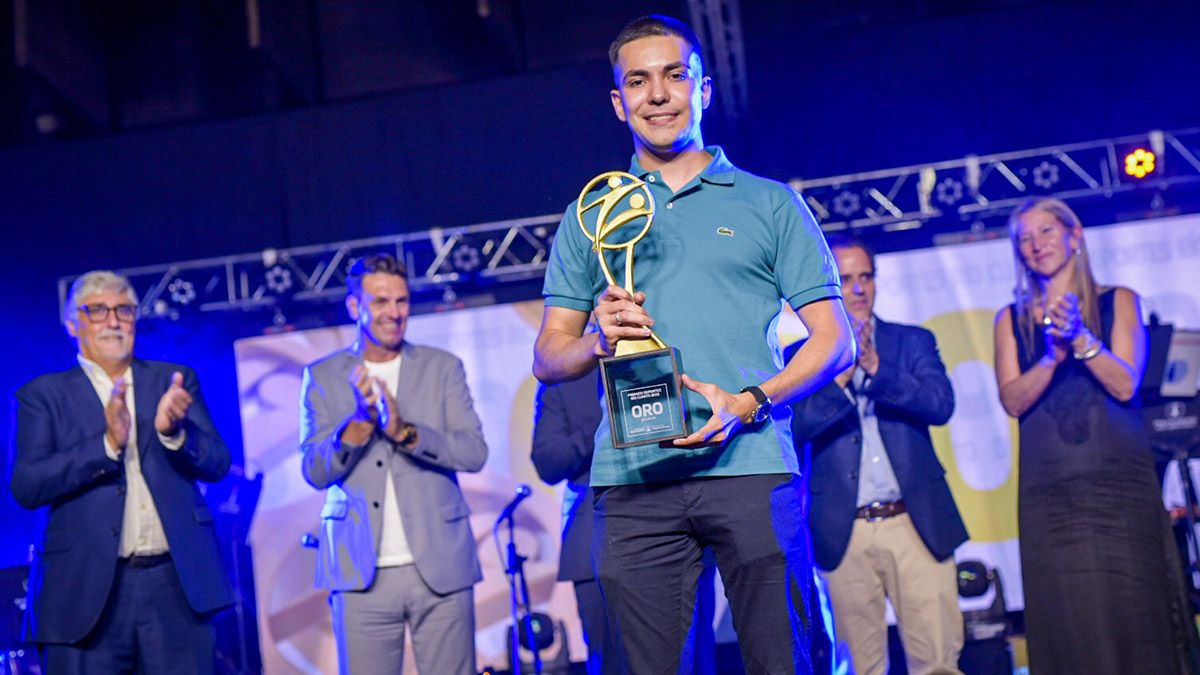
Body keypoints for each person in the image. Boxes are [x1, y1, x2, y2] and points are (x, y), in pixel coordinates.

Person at [532, 15, 854, 673]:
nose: (657, 94)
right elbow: (547, 355)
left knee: (784, 662)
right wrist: (597, 338)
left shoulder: (769, 204)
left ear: (703, 89)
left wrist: (752, 400)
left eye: (674, 76)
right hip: (635, 478)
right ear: (619, 102)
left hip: (750, 461)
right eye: (638, 82)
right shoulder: (593, 214)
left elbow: (834, 340)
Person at [993, 197, 1200, 674]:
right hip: (1051, 492)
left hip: (1117, 485)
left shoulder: (1119, 300)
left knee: (1136, 610)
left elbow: (1125, 382)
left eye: (1045, 232)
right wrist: (1050, 356)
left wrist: (1084, 341)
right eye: (1024, 238)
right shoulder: (1012, 318)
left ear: (1074, 234)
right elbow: (1012, 399)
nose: (1035, 245)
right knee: (1068, 616)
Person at [11, 270, 233, 674]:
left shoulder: (173, 380)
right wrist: (107, 446)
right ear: (72, 324)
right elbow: (27, 485)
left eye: (124, 310)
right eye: (97, 310)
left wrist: (175, 434)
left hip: (174, 587)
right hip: (83, 594)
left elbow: (218, 462)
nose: (113, 321)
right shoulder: (42, 395)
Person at [300, 254, 488, 675]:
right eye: (381, 301)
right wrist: (356, 428)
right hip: (358, 569)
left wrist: (405, 431)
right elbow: (313, 470)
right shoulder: (323, 376)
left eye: (402, 301)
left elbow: (474, 451)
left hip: (441, 566)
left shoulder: (442, 368)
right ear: (355, 307)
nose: (394, 313)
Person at [792, 236, 967, 675]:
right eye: (845, 278)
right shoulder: (804, 355)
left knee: (938, 664)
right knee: (859, 668)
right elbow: (794, 428)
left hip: (914, 523)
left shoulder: (911, 342)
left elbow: (940, 404)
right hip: (843, 531)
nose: (856, 288)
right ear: (828, 283)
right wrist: (839, 375)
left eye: (865, 276)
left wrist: (877, 368)